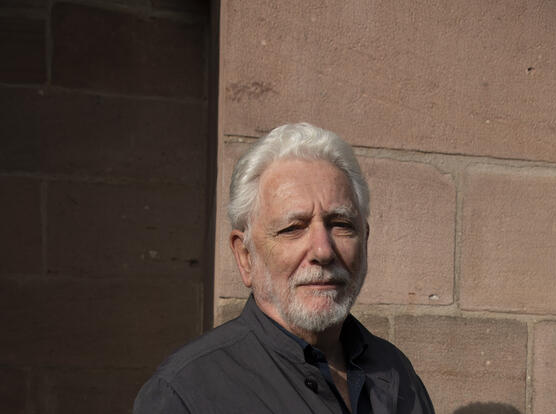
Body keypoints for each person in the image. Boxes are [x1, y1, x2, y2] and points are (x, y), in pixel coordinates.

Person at [134, 123, 435, 413]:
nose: (323, 251)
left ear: (364, 241)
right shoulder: (186, 394)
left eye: (341, 224)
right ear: (245, 255)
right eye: (293, 228)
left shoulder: (396, 371)